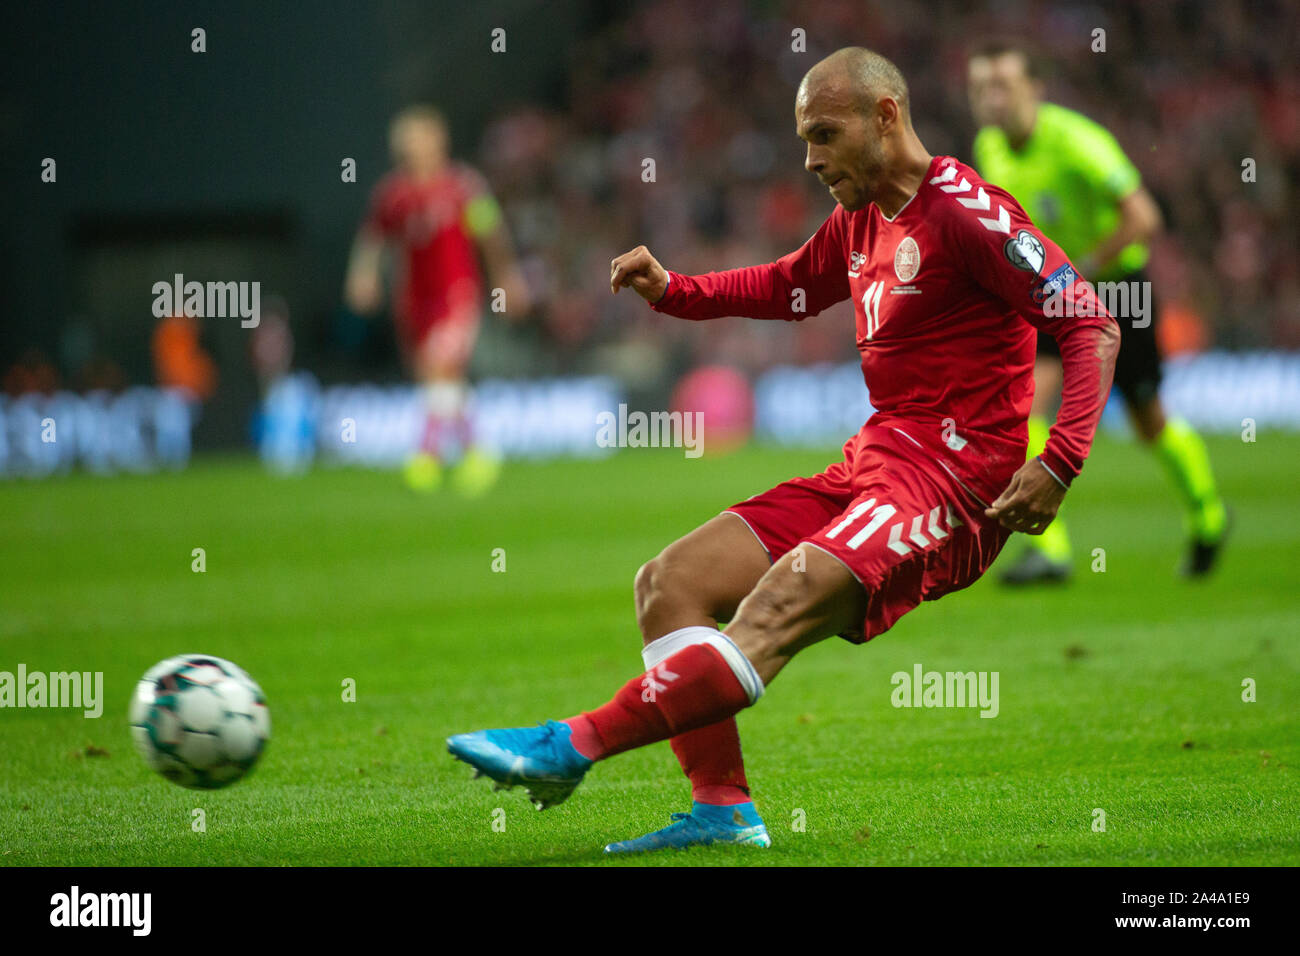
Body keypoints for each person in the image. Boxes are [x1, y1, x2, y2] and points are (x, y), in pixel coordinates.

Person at [447, 47, 1119, 853]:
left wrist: (1059, 461)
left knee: (771, 610)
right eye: (805, 140)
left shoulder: (968, 212)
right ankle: (723, 809)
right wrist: (678, 292)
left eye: (824, 135)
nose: (810, 159)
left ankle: (571, 744)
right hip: (875, 464)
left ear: (885, 116)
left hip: (948, 489)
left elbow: (1089, 322)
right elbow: (789, 285)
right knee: (669, 584)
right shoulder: (862, 218)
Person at [967, 41, 1229, 583]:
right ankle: (1050, 550)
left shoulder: (1078, 143)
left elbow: (1144, 217)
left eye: (1003, 87)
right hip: (1050, 294)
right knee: (1024, 408)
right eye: (981, 89)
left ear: (1035, 88)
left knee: (1146, 417)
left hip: (1114, 290)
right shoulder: (988, 146)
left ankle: (1208, 514)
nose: (992, 101)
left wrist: (1083, 266)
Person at [344, 104, 530, 494]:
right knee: (440, 377)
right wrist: (362, 276)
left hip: (457, 294)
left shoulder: (463, 186)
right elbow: (373, 238)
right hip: (413, 299)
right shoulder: (393, 195)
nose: (411, 150)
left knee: (437, 366)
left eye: (418, 140)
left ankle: (426, 454)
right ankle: (477, 450)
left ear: (437, 141)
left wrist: (507, 278)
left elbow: (491, 234)